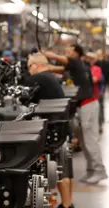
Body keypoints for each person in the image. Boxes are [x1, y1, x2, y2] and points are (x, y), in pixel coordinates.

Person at [43, 45, 107, 186]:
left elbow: (59, 59)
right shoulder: (75, 66)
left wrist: (45, 53)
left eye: (70, 51)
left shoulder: (76, 62)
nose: (67, 52)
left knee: (90, 139)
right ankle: (91, 170)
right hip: (84, 105)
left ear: (77, 53)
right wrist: (43, 67)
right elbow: (58, 69)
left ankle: (99, 170)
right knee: (84, 140)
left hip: (88, 104)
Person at [26, 53, 71, 208]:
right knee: (63, 170)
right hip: (61, 127)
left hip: (53, 130)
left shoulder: (38, 78)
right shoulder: (50, 77)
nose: (28, 71)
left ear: (36, 65)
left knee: (57, 170)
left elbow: (22, 96)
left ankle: (63, 204)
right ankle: (67, 204)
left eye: (29, 66)